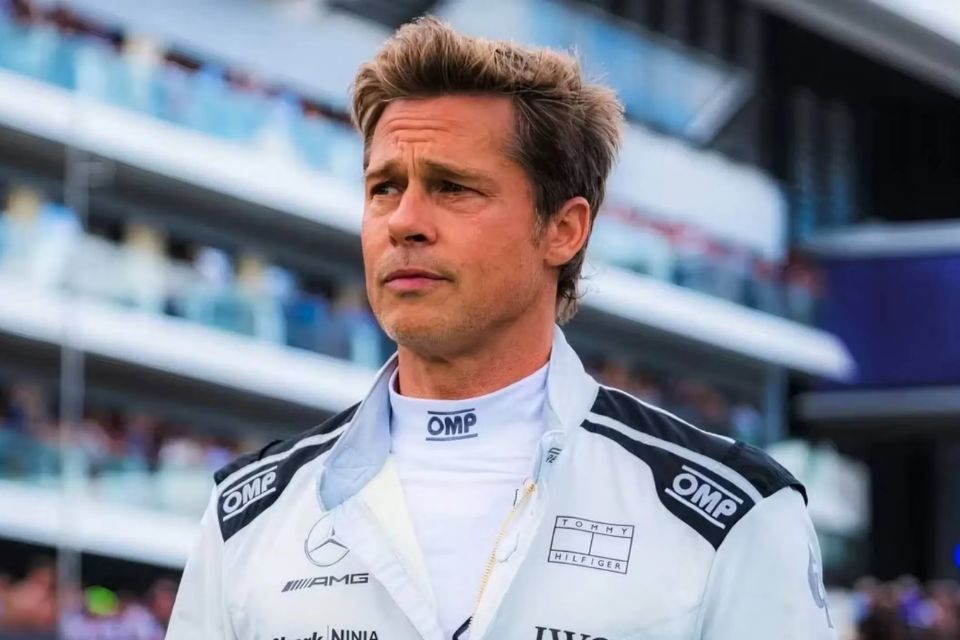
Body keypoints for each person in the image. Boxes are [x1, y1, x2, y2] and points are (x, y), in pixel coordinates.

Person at [167, 16, 835, 640]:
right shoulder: (246, 517)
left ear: (563, 230)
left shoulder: (732, 516)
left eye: (453, 187)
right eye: (384, 188)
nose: (405, 221)